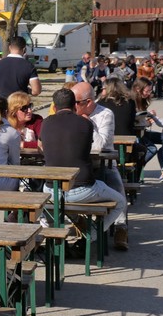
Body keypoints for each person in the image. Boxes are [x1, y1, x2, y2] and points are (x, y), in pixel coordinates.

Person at [40, 88, 127, 239]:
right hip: (82, 189)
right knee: (120, 201)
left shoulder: (46, 123)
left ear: (54, 107)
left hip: (51, 190)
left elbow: (41, 146)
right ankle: (93, 235)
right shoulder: (85, 124)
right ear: (74, 106)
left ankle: (75, 224)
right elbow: (88, 149)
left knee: (59, 201)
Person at [71, 81, 130, 250]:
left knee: (118, 190)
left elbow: (100, 146)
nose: (72, 106)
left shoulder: (105, 114)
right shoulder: (70, 113)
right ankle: (83, 224)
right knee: (61, 196)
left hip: (102, 163)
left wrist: (87, 123)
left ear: (88, 102)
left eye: (75, 102)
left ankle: (120, 228)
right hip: (80, 165)